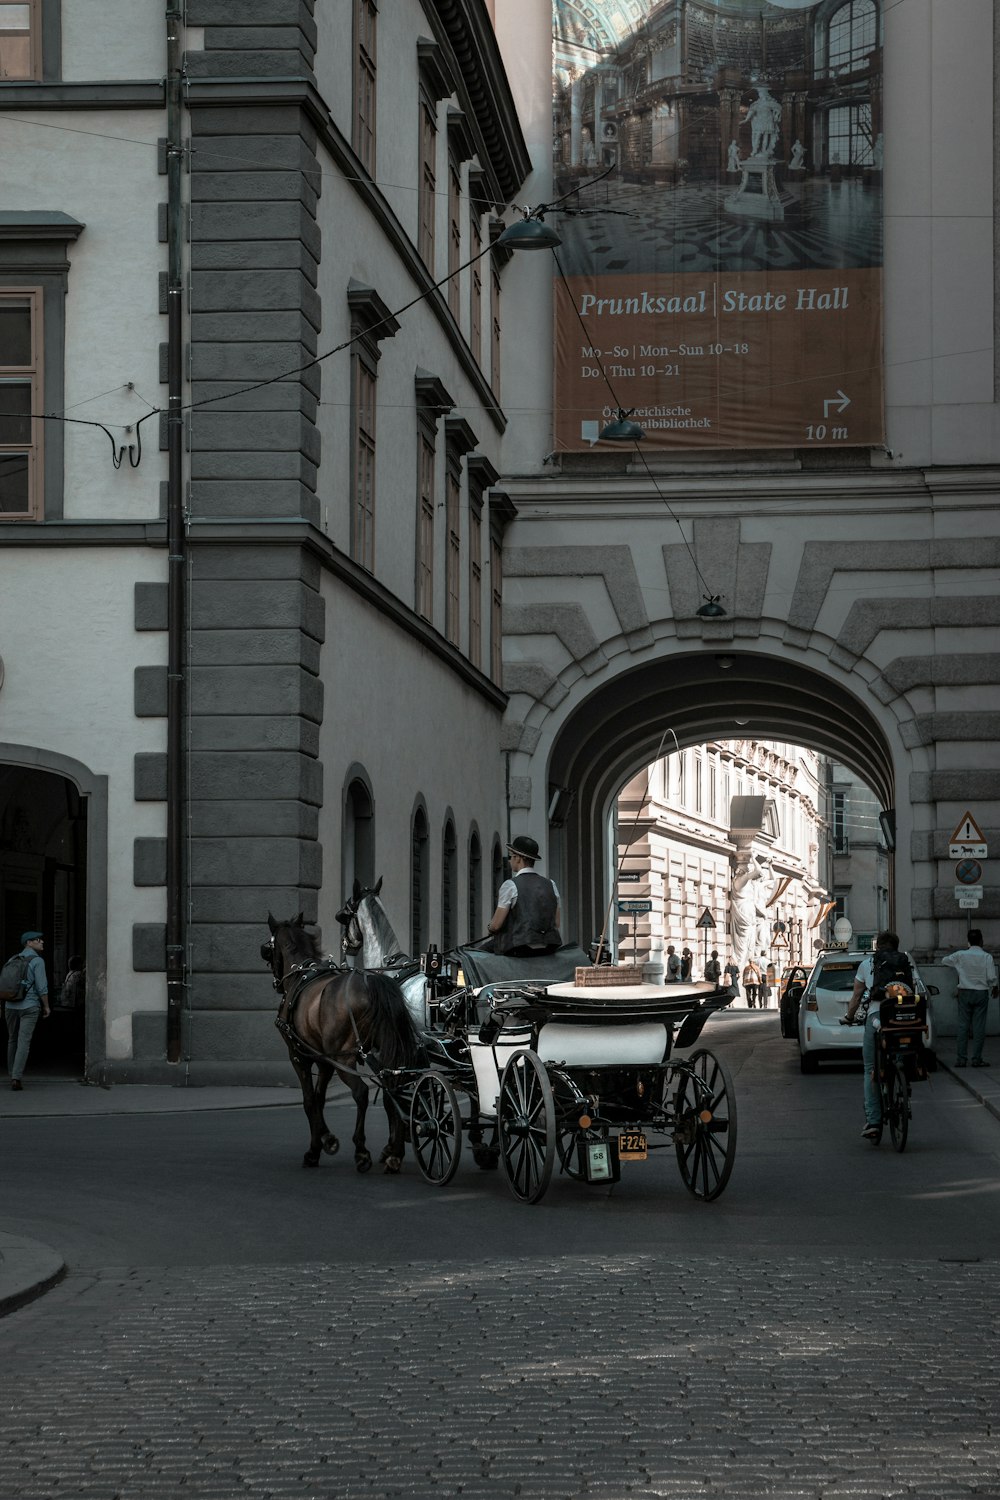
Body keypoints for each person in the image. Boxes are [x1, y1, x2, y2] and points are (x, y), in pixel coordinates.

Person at [845, 930, 914, 1140]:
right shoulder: (906, 961)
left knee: (869, 1069)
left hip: (878, 1016)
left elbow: (857, 996)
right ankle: (903, 1088)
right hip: (904, 1016)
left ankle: (874, 1121)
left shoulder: (867, 964)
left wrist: (849, 1016)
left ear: (878, 947)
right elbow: (915, 988)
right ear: (896, 945)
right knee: (901, 1053)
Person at [486, 835, 561, 957]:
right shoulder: (551, 885)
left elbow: (496, 925)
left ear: (518, 858)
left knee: (478, 952)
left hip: (519, 947)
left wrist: (490, 928)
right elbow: (557, 923)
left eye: (511, 857)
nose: (510, 861)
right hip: (549, 946)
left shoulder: (510, 885)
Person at [942, 929, 997, 1068]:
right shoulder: (987, 957)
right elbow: (991, 978)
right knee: (979, 1027)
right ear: (981, 941)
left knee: (963, 1026)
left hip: (964, 992)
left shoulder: (960, 955)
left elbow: (945, 960)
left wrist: (957, 964)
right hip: (981, 993)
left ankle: (961, 1059)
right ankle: (977, 1059)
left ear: (968, 942)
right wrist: (995, 986)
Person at [4, 930, 50, 1091]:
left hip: (10, 1005)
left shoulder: (12, 959)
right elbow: (42, 987)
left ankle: (11, 1073)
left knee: (12, 1039)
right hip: (29, 1006)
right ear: (29, 943)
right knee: (24, 1042)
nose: (42, 942)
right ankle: (16, 1077)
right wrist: (46, 1006)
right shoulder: (37, 961)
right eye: (38, 940)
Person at [746, 84, 781, 159]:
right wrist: (746, 119)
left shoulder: (769, 103)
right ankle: (755, 150)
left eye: (761, 93)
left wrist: (776, 114)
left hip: (768, 121)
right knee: (758, 135)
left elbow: (779, 108)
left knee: (766, 136)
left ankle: (764, 150)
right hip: (759, 121)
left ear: (765, 94)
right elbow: (751, 111)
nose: (760, 95)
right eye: (759, 94)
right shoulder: (757, 104)